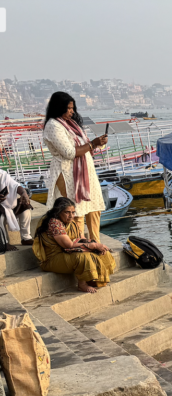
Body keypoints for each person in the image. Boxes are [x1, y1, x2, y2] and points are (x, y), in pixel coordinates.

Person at [42, 92, 108, 242]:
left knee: (94, 207)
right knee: (76, 211)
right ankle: (81, 243)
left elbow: (84, 147)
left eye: (73, 108)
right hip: (67, 172)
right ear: (59, 108)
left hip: (86, 171)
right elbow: (69, 152)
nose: (72, 111)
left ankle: (95, 242)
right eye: (69, 108)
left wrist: (97, 144)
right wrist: (93, 144)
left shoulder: (72, 124)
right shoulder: (53, 125)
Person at [32, 197, 115, 294]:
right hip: (52, 258)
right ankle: (82, 285)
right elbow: (69, 245)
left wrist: (97, 245)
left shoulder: (71, 222)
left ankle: (94, 279)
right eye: (67, 212)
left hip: (66, 253)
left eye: (73, 212)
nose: (71, 216)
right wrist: (94, 246)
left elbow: (82, 238)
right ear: (58, 212)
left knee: (102, 252)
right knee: (84, 257)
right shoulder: (54, 223)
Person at [0, 167, 33, 248]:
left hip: (7, 206)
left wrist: (24, 193)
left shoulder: (1, 174)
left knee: (25, 205)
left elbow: (15, 185)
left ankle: (26, 237)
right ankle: (3, 243)